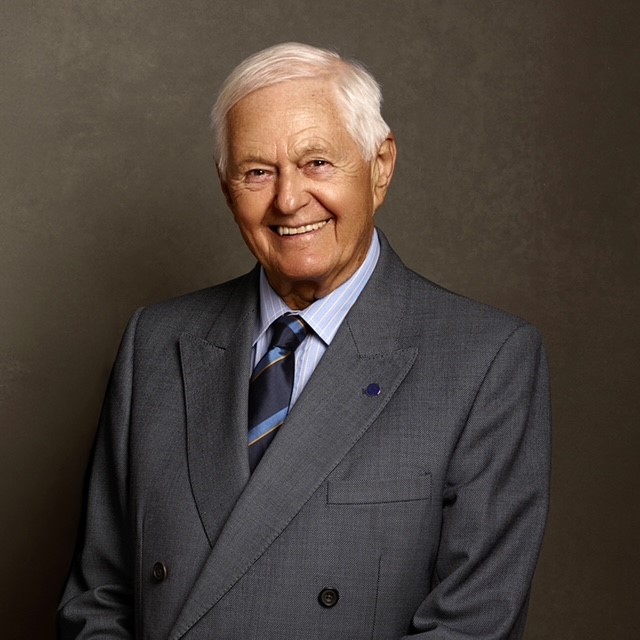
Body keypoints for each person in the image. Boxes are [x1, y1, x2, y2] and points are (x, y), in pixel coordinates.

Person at [58, 42, 551, 639]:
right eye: (257, 172)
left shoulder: (486, 359)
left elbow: (472, 626)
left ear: (380, 166)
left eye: (317, 162)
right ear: (226, 187)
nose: (289, 200)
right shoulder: (155, 343)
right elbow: (98, 599)